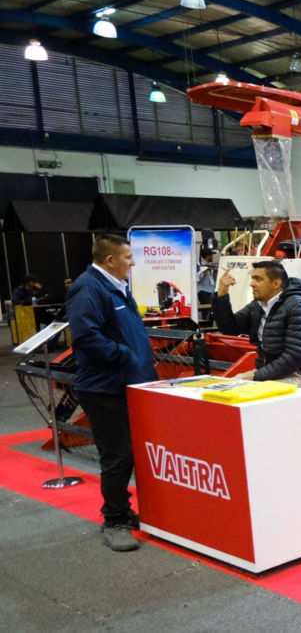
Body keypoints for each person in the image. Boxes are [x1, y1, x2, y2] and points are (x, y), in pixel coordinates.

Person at [65, 234, 158, 552]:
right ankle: (114, 520)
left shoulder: (115, 286)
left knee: (129, 453)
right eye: (128, 257)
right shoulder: (89, 287)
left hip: (127, 384)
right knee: (117, 456)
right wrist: (124, 355)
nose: (133, 262)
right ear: (110, 260)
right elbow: (85, 336)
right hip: (104, 388)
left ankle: (123, 510)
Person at [212, 261, 301, 387]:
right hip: (271, 373)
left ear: (276, 284)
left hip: (299, 375)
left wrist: (257, 377)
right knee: (224, 387)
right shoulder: (258, 305)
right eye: (253, 278)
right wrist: (221, 295)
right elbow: (231, 328)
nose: (252, 284)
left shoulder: (298, 306)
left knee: (241, 391)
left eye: (258, 279)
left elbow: (297, 355)